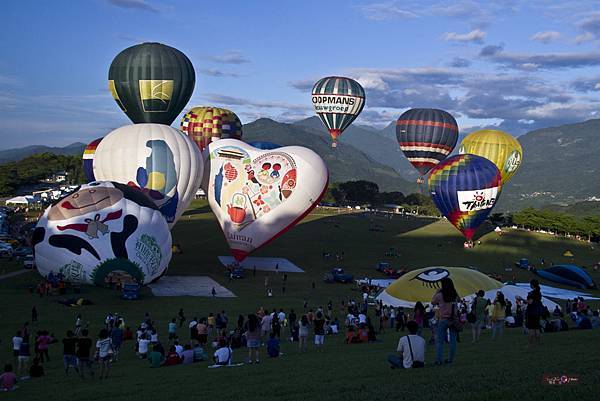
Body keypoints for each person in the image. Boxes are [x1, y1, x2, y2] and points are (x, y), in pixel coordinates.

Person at [431, 277, 459, 365]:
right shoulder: (454, 294)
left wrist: (436, 292)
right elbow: (459, 301)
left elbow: (432, 302)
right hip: (453, 319)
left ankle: (439, 360)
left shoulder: (440, 295)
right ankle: (450, 359)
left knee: (440, 341)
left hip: (443, 319)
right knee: (453, 340)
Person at [526, 279, 543, 347]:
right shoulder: (539, 293)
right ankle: (538, 343)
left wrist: (521, 298)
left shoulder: (532, 293)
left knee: (531, 329)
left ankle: (530, 344)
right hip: (537, 311)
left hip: (531, 312)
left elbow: (530, 302)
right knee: (537, 328)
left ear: (532, 285)